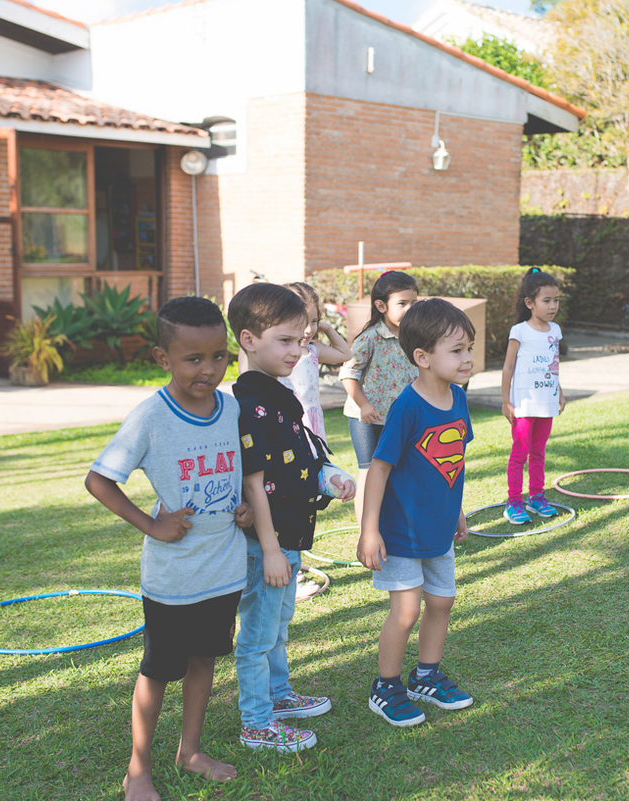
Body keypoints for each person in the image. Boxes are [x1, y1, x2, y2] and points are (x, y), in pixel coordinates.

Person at [85, 296, 251, 801]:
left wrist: (243, 505)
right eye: (193, 359)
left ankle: (191, 751)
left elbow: (234, 470)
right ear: (163, 358)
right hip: (174, 578)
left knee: (205, 660)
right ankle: (138, 771)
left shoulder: (232, 406)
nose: (209, 369)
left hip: (224, 569)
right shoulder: (150, 416)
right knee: (158, 671)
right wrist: (149, 526)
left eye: (219, 356)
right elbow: (99, 480)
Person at [228, 282, 355, 753]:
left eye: (302, 340)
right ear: (248, 339)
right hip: (270, 546)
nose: (298, 350)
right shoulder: (247, 405)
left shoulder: (279, 395)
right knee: (257, 638)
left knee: (277, 628)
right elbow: (253, 485)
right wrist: (271, 550)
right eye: (286, 340)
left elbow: (299, 461)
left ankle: (279, 697)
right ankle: (257, 723)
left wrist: (330, 479)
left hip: (291, 539)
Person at [356, 298, 476, 727]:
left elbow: (454, 459)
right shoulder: (407, 407)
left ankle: (426, 676)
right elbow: (379, 469)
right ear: (423, 358)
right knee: (406, 611)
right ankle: (386, 686)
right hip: (401, 532)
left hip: (439, 530)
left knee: (442, 601)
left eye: (469, 348)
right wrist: (369, 531)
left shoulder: (458, 399)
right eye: (457, 350)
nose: (467, 358)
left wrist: (457, 509)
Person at [339, 271, 419, 522]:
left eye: (413, 303)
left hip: (398, 420)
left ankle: (395, 524)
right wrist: (363, 405)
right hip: (366, 419)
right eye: (402, 303)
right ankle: (366, 532)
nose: (409, 309)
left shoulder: (414, 337)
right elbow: (348, 373)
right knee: (369, 472)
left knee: (399, 473)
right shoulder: (370, 337)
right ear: (381, 306)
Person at [499, 268, 566, 525]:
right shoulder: (519, 331)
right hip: (524, 406)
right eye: (546, 301)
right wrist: (506, 401)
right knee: (520, 452)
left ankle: (537, 496)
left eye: (556, 300)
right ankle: (514, 501)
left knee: (538, 452)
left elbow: (554, 364)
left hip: (546, 404)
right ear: (529, 303)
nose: (553, 306)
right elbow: (508, 367)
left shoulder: (555, 331)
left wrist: (559, 393)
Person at [281, 281, 352, 440]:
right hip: (288, 419)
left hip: (311, 421)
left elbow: (345, 354)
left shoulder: (313, 350)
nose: (308, 330)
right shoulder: (277, 352)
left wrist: (327, 328)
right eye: (302, 321)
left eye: (313, 321)